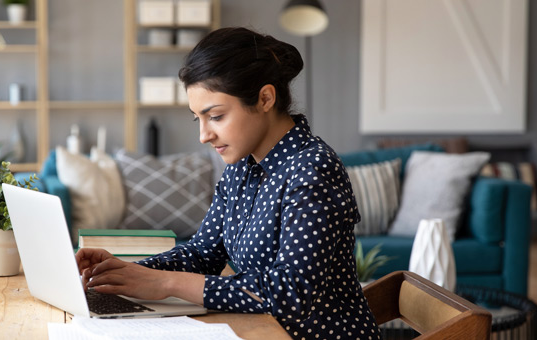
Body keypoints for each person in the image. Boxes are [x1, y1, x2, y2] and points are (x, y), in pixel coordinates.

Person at [76, 27, 381, 339]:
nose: (204, 135)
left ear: (265, 98)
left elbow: (290, 294)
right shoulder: (242, 166)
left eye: (216, 116)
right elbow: (204, 252)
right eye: (199, 119)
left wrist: (165, 283)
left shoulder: (313, 168)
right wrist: (129, 271)